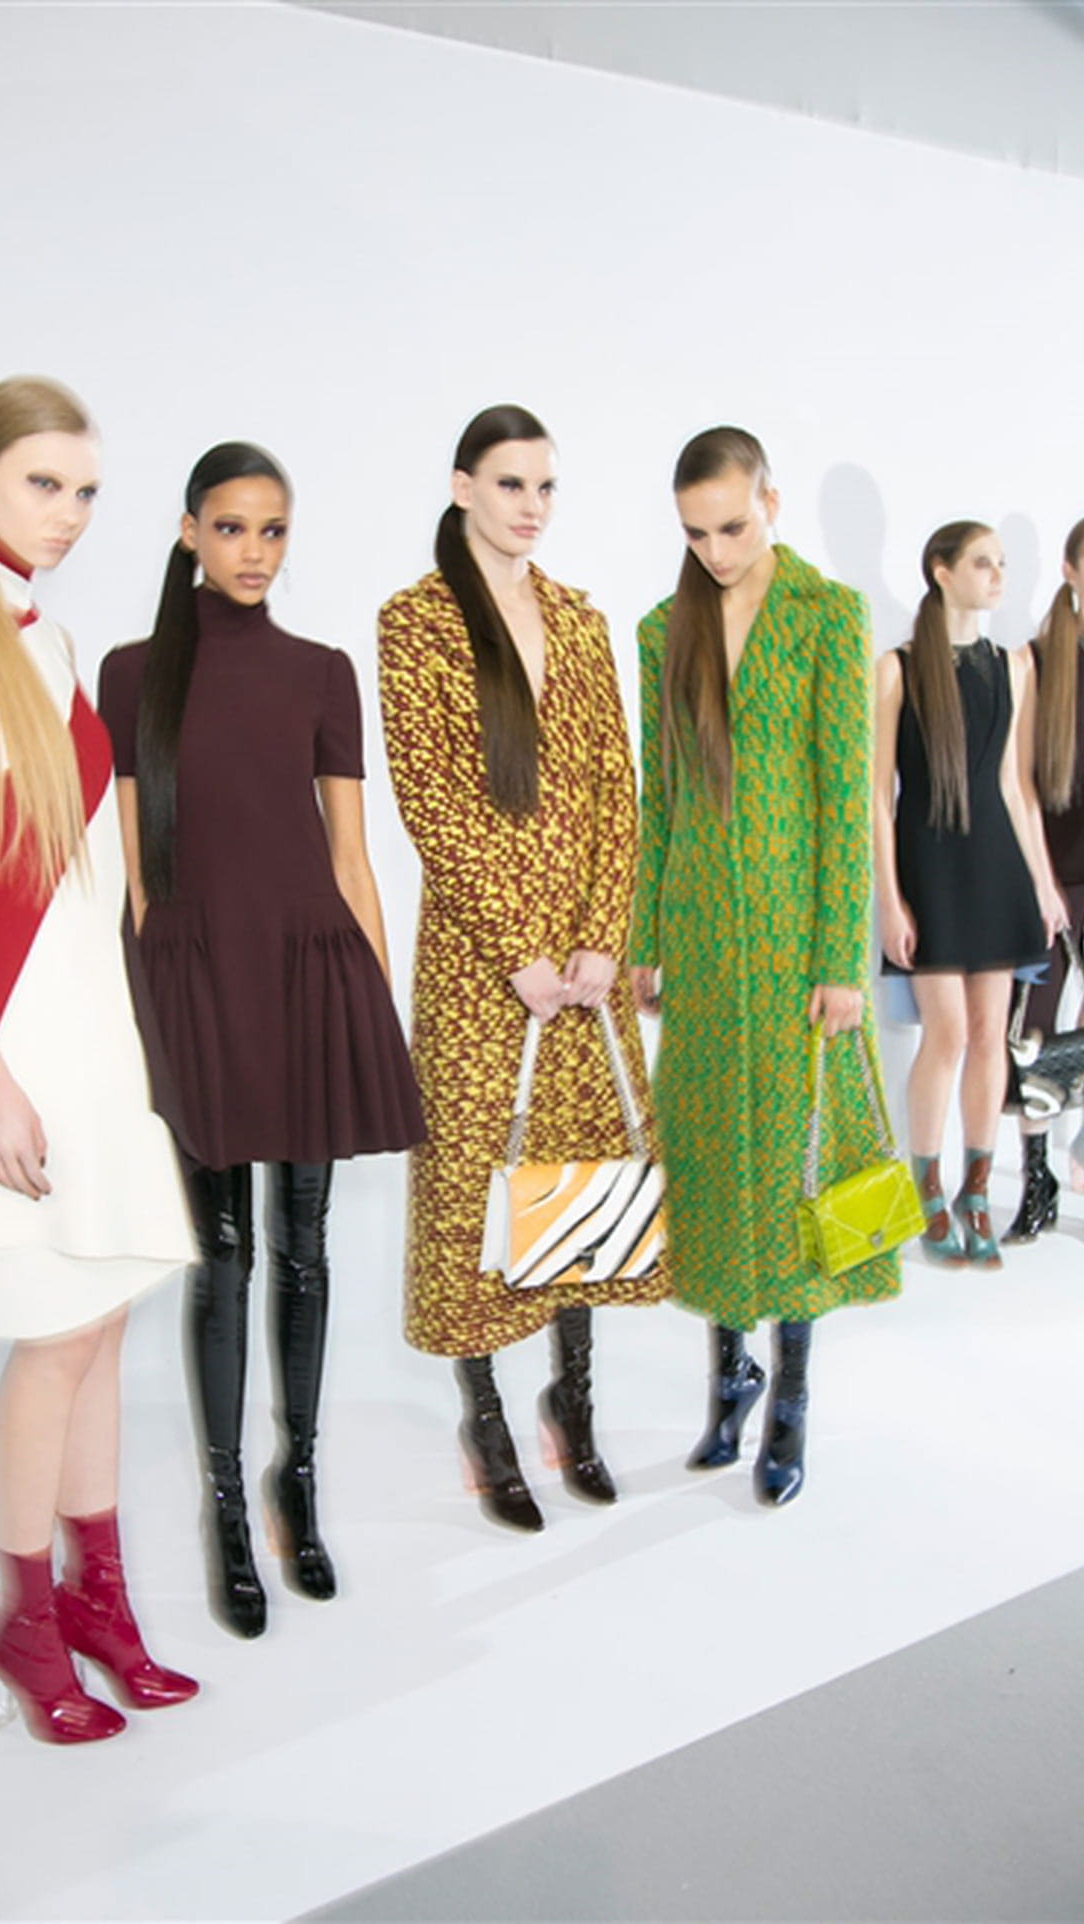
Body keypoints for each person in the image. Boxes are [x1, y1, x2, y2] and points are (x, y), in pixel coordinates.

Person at [0, 377, 199, 1744]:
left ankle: (98, 1603)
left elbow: (87, 876)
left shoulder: (57, 641)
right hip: (14, 1030)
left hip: (93, 1024)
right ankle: (24, 1621)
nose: (68, 514)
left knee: (107, 1317)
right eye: (42, 485)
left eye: (84, 493)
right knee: (53, 1334)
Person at [98, 442, 423, 1636]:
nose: (253, 551)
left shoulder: (322, 671)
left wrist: (375, 1010)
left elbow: (350, 859)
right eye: (230, 527)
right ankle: (227, 1508)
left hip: (308, 977)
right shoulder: (133, 674)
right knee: (222, 1251)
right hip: (199, 983)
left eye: (272, 529)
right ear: (189, 531)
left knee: (306, 1246)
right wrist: (154, 1017)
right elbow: (138, 878)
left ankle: (301, 1480)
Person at [378, 404, 665, 1535]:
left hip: (583, 968)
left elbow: (615, 786)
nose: (531, 507)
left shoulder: (580, 617)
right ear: (462, 488)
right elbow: (431, 800)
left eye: (545, 486)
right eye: (509, 484)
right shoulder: (415, 621)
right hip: (478, 965)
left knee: (577, 1175)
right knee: (477, 1185)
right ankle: (486, 1418)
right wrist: (518, 949)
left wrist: (600, 937)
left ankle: (571, 1399)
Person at [630, 426, 899, 1507]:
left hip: (796, 946)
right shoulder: (664, 630)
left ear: (770, 504)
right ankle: (729, 1369)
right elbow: (659, 797)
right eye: (695, 533)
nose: (715, 550)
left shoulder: (827, 615)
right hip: (697, 940)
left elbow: (846, 797)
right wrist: (646, 936)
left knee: (793, 1166)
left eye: (732, 526)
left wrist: (841, 957)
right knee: (709, 1157)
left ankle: (789, 1393)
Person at [874, 521, 1066, 1266]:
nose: (997, 576)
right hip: (929, 866)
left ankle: (976, 1190)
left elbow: (1017, 788)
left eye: (1002, 564)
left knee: (991, 1036)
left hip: (997, 867)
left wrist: (1043, 883)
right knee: (946, 1034)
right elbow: (875, 797)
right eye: (983, 563)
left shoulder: (1015, 666)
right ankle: (926, 1186)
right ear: (941, 570)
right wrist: (890, 899)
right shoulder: (896, 668)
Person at [1004, 512, 1084, 1243]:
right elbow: (1019, 781)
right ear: (1071, 571)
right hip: (1056, 868)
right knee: (1034, 1030)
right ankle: (1037, 1180)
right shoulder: (1038, 659)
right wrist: (1043, 880)